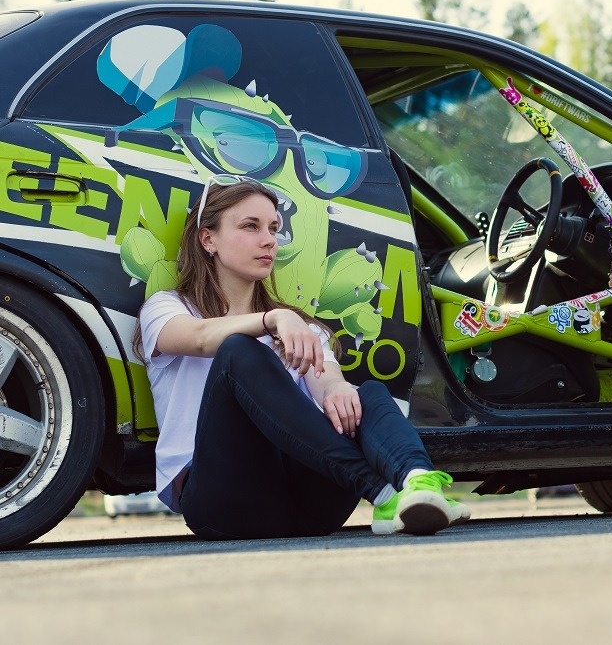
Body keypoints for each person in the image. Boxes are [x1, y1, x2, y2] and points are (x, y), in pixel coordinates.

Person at [134, 175, 469, 539]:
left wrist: (337, 388)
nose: (269, 240)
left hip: (310, 508)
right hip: (225, 504)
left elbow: (327, 382)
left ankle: (418, 484)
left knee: (367, 393)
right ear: (208, 239)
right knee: (238, 351)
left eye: (273, 228)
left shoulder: (302, 329)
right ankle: (382, 493)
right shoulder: (166, 308)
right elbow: (200, 339)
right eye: (250, 226)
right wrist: (274, 319)